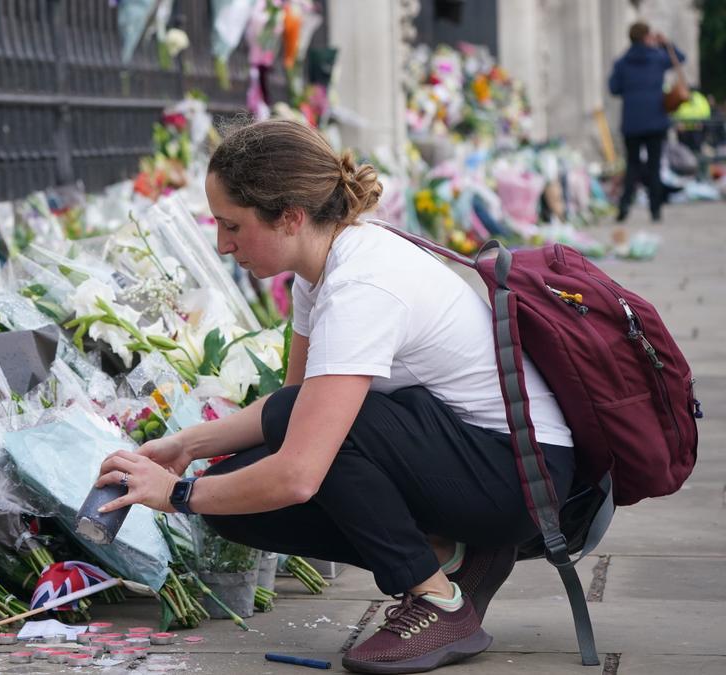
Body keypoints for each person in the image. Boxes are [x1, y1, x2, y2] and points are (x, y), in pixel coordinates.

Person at [93, 119, 576, 674]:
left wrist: (178, 495)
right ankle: (453, 555)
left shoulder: (360, 286)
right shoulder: (319, 270)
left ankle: (438, 602)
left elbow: (300, 471)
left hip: (520, 479)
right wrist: (186, 446)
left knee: (306, 450)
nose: (223, 246)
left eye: (232, 226)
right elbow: (293, 404)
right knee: (237, 499)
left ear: (291, 216)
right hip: (478, 458)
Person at [608, 21, 686, 223]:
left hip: (632, 122)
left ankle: (624, 206)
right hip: (655, 121)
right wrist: (666, 43)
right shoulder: (658, 57)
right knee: (654, 165)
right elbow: (680, 58)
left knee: (632, 165)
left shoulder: (622, 62)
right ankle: (655, 209)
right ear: (646, 37)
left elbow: (614, 88)